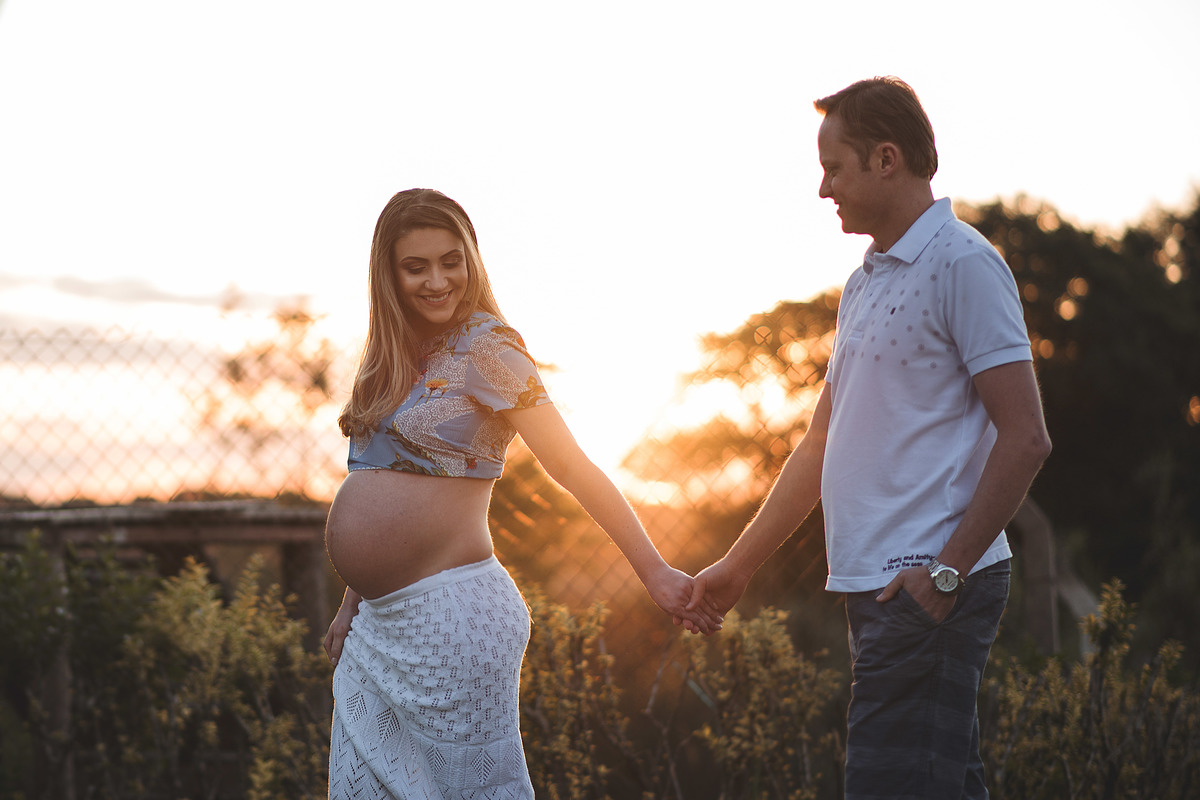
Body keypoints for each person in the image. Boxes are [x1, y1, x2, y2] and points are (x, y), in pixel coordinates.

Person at [682, 77, 1052, 799]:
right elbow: (821, 443)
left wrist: (945, 575)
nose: (824, 188)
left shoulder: (965, 263)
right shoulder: (864, 283)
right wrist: (737, 567)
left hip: (925, 582)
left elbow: (1026, 436)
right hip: (881, 588)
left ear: (887, 159)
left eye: (834, 167)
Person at [322, 188, 720, 799]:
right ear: (388, 275)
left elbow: (571, 465)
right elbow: (383, 480)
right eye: (416, 267)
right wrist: (353, 602)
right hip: (379, 624)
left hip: (451, 618)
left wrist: (655, 572)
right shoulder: (390, 356)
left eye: (451, 261)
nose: (437, 281)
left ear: (472, 259)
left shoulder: (489, 346)